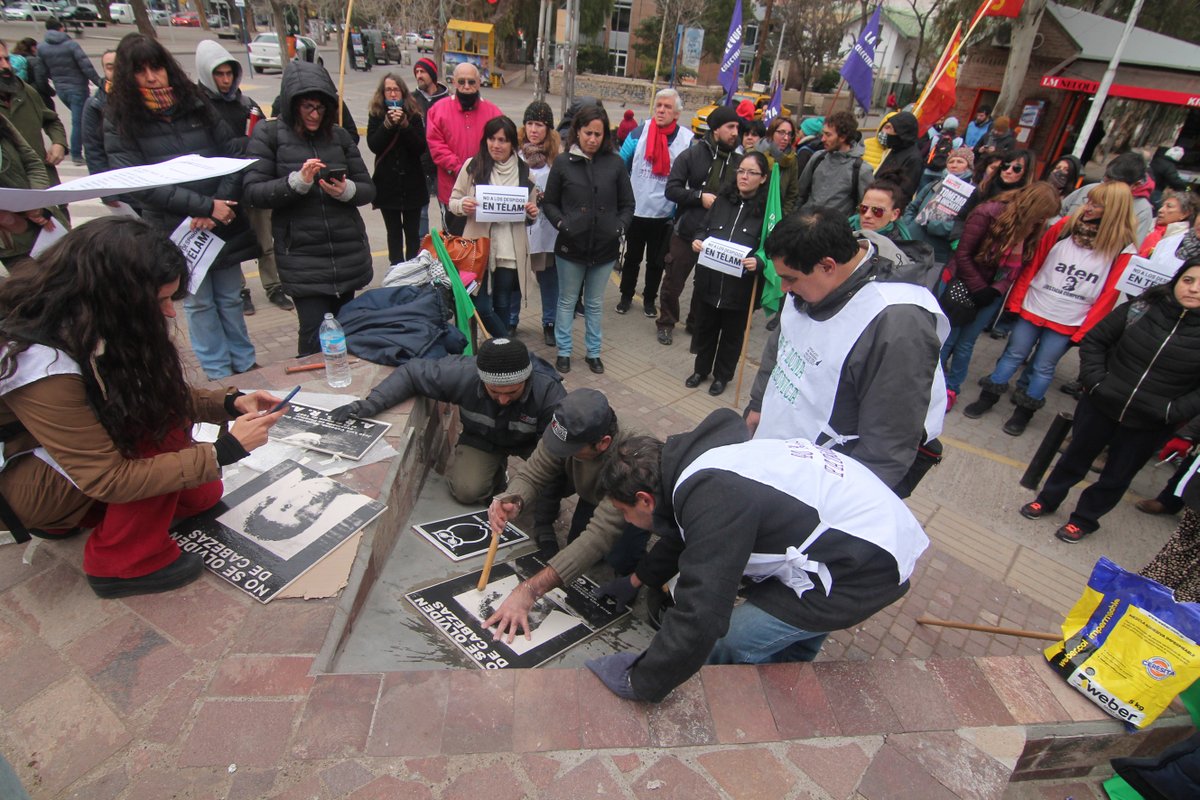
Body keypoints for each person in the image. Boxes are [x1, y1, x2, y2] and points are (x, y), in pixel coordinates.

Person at [0, 218, 287, 598]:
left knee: (198, 488)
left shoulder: (83, 316)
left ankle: (115, 519)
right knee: (155, 425)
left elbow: (147, 389)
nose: (170, 313)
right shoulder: (40, 361)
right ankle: (123, 563)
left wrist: (230, 402)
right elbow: (107, 478)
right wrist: (224, 450)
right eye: (159, 301)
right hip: (24, 483)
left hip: (58, 461)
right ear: (114, 296)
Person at [583, 409, 929, 701]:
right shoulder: (692, 463)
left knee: (732, 640)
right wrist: (636, 580)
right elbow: (685, 538)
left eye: (624, 512)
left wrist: (642, 680)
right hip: (856, 532)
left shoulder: (716, 498)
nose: (628, 521)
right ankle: (783, 683)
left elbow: (702, 612)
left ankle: (725, 700)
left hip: (863, 565)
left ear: (644, 499)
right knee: (788, 633)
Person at [745, 209, 947, 494]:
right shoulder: (808, 277)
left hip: (832, 477)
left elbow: (888, 441)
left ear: (828, 266)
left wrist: (843, 505)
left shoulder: (897, 324)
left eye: (790, 278)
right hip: (784, 449)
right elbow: (783, 343)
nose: (783, 288)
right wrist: (758, 403)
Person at [104, 33, 260, 381]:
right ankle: (220, 374)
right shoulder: (121, 117)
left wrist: (221, 203)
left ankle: (246, 365)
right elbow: (139, 183)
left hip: (222, 219)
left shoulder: (195, 102)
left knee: (231, 296)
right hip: (177, 228)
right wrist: (203, 207)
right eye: (140, 70)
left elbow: (231, 154)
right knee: (199, 302)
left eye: (156, 67)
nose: (151, 77)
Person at [1020, 258, 1200, 543]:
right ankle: (1048, 498)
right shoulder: (1144, 308)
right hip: (1101, 403)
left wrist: (1171, 411)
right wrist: (1096, 381)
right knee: (1074, 456)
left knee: (1117, 475)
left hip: (1150, 421)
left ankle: (1084, 519)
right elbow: (1095, 341)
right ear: (1177, 280)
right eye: (1188, 280)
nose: (1193, 289)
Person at [329, 337, 565, 530]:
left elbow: (553, 457)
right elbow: (411, 373)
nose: (503, 400)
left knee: (554, 479)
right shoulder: (463, 374)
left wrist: (543, 525)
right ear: (481, 378)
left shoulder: (549, 394)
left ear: (527, 378)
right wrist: (370, 405)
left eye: (512, 392)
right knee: (467, 490)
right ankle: (495, 480)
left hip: (533, 446)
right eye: (494, 392)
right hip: (482, 437)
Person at [962, 181, 1138, 435]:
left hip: (1069, 317)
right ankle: (987, 398)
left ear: (1113, 210)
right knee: (1013, 354)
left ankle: (1023, 413)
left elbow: (1109, 295)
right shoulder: (1064, 226)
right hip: (1035, 305)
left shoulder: (1123, 248)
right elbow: (1034, 264)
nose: (1087, 207)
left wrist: (1086, 331)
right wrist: (1016, 301)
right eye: (1088, 200)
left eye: (1096, 204)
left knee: (1044, 367)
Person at [482, 389, 651, 637]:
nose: (560, 450)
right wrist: (513, 498)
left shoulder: (633, 459)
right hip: (593, 494)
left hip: (632, 507)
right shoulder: (568, 428)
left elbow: (599, 535)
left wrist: (530, 589)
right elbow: (534, 470)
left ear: (603, 443)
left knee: (619, 557)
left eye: (570, 448)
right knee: (576, 551)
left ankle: (632, 575)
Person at [242, 60, 376, 357]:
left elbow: (367, 188)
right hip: (302, 256)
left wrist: (346, 190)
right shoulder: (269, 134)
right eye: (308, 108)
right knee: (314, 332)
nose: (315, 115)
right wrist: (296, 183)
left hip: (346, 252)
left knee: (346, 328)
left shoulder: (338, 136)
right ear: (293, 106)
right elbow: (253, 191)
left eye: (321, 108)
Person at [939, 182, 1061, 410]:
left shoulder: (1031, 229)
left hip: (991, 292)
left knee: (966, 343)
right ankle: (931, 384)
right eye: (1041, 216)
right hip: (963, 284)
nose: (1041, 222)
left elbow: (1017, 267)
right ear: (1033, 207)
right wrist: (979, 288)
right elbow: (963, 253)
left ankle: (952, 387)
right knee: (947, 338)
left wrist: (996, 289)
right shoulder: (987, 213)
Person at [195, 39, 292, 315]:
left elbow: (263, 138)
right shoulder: (198, 107)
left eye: (229, 74)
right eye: (219, 74)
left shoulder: (246, 104)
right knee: (231, 243)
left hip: (252, 182)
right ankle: (240, 291)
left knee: (266, 239)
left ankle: (274, 286)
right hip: (222, 189)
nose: (225, 81)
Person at [543, 105, 634, 375]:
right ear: (577, 132)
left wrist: (618, 228)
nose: (592, 139)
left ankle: (593, 352)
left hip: (604, 249)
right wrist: (562, 224)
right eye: (587, 133)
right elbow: (550, 203)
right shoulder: (562, 162)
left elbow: (628, 204)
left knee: (594, 303)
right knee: (567, 301)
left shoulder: (615, 163)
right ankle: (564, 351)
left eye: (598, 134)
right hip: (571, 247)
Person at [658, 104, 742, 347]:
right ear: (716, 129)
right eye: (730, 127)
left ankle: (695, 323)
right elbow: (672, 189)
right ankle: (666, 323)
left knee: (704, 286)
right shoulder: (692, 155)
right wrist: (699, 197)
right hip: (686, 232)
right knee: (674, 282)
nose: (735, 132)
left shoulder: (739, 162)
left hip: (718, 238)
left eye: (737, 127)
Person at [685, 150, 768, 396]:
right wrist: (698, 240)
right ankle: (701, 369)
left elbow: (772, 249)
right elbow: (703, 228)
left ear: (762, 178)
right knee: (705, 327)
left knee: (732, 336)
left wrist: (759, 262)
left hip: (739, 288)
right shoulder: (723, 200)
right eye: (741, 171)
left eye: (751, 172)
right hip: (710, 281)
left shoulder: (767, 211)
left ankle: (722, 376)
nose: (744, 176)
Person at [448, 115, 538, 339]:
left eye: (503, 140)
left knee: (503, 303)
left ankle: (497, 355)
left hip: (510, 251)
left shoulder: (526, 172)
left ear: (512, 145)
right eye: (492, 139)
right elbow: (453, 201)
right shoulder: (473, 166)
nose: (496, 145)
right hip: (478, 249)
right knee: (479, 303)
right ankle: (506, 345)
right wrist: (463, 205)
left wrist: (532, 213)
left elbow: (531, 212)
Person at [617, 88, 694, 320]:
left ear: (677, 114)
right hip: (636, 209)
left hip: (665, 213)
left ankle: (650, 299)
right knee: (632, 257)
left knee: (656, 262)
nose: (661, 110)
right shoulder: (638, 133)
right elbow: (620, 164)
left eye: (667, 107)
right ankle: (626, 295)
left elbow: (690, 175)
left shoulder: (687, 140)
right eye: (658, 105)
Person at [425, 62, 502, 236]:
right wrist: (462, 170)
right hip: (451, 191)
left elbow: (502, 146)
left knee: (483, 245)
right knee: (454, 243)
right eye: (461, 81)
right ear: (454, 82)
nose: (466, 86)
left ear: (479, 82)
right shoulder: (438, 110)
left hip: (485, 192)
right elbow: (436, 146)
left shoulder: (494, 113)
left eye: (471, 82)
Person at [366, 72, 428, 264]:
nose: (393, 94)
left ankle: (410, 269)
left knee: (412, 233)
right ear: (382, 93)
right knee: (393, 233)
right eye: (388, 90)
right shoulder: (376, 115)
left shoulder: (414, 115)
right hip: (388, 185)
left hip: (412, 185)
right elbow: (374, 145)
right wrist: (387, 125)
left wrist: (404, 125)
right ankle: (395, 269)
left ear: (403, 92)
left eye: (396, 90)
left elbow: (420, 147)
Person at [518, 101, 561, 346]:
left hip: (546, 231)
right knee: (516, 276)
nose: (534, 129)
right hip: (519, 228)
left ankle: (550, 322)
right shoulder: (515, 155)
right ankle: (512, 319)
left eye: (540, 125)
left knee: (548, 278)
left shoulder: (556, 160)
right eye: (530, 123)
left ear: (548, 129)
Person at [0, 39, 66, 186]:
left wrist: (59, 143)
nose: (5, 66)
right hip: (9, 192)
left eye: (6, 59)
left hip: (43, 182)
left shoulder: (25, 91)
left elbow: (51, 120)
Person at [0, 114, 61, 266]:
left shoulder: (2, 120)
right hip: (10, 242)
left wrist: (37, 203)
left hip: (40, 225)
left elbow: (32, 162)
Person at [38, 17, 100, 165]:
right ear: (61, 28)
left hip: (61, 89)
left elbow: (41, 71)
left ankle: (76, 151)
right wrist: (99, 82)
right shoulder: (71, 45)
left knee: (77, 119)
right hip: (77, 88)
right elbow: (86, 66)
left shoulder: (42, 48)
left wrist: (48, 88)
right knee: (79, 122)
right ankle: (77, 154)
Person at [903, 146, 974, 266]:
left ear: (969, 166)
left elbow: (967, 224)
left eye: (960, 161)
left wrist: (939, 226)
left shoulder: (973, 193)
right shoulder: (933, 184)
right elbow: (912, 207)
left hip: (937, 251)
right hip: (912, 240)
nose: (954, 165)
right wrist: (909, 225)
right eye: (951, 161)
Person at [1061, 151, 1154, 241]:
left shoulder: (1142, 211)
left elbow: (1129, 250)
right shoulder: (1089, 190)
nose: (1107, 187)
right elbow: (1058, 212)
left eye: (1115, 184)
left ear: (1135, 185)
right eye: (1107, 179)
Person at [795, 111, 873, 217]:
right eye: (823, 133)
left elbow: (864, 209)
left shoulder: (861, 170)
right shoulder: (818, 157)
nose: (823, 139)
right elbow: (800, 193)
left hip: (835, 230)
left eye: (828, 135)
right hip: (806, 225)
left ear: (843, 137)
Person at [874, 111, 924, 203]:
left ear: (901, 132)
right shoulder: (894, 149)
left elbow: (903, 193)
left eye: (888, 128)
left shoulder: (913, 159)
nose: (883, 132)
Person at [755, 116, 800, 214]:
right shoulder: (757, 152)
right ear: (772, 133)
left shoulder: (792, 159)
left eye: (789, 134)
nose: (786, 138)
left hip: (777, 214)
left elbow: (792, 193)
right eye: (781, 132)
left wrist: (783, 214)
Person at [848, 180, 912, 243]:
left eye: (877, 211)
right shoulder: (844, 230)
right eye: (863, 208)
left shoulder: (900, 248)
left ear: (894, 214)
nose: (867, 215)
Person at [1139, 190, 1197, 257]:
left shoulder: (1184, 239)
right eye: (1162, 206)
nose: (1160, 210)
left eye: (1169, 206)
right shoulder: (1147, 224)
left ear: (1184, 214)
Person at [918, 116, 960, 194]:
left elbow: (922, 153)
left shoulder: (936, 138)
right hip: (943, 174)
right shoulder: (959, 141)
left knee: (920, 194)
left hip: (928, 170)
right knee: (932, 197)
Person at [12, 38, 52, 111]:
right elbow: (41, 81)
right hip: (37, 95)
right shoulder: (35, 61)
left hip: (21, 94)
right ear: (33, 48)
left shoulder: (15, 59)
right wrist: (51, 92)